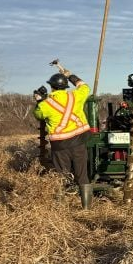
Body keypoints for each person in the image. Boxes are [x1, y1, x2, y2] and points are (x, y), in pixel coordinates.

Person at [34, 67, 93, 209]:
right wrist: (70, 75)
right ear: (66, 86)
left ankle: (61, 209)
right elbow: (85, 86)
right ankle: (86, 209)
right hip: (79, 142)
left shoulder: (46, 104)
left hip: (60, 146)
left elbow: (38, 115)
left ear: (51, 87)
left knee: (61, 176)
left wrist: (38, 100)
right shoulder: (75, 96)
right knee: (82, 175)